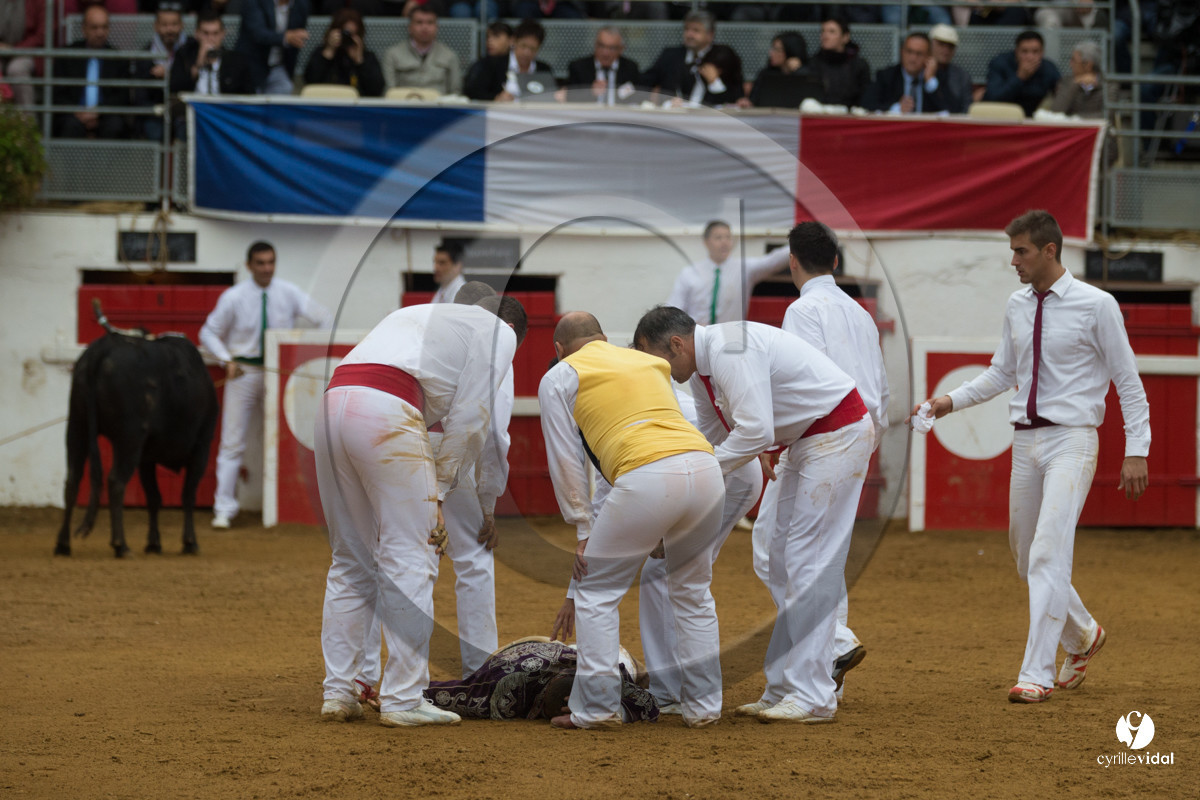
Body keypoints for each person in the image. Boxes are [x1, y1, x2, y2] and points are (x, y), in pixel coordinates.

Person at [910, 210, 1149, 704]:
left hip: (1073, 440)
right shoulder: (1017, 305)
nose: (1012, 261)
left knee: (1046, 554)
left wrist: (1137, 449)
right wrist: (948, 401)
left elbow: (1128, 380)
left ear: (1049, 251)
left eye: (1020, 251)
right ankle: (1082, 635)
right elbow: (1002, 372)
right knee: (1026, 556)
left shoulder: (1097, 305)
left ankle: (1035, 674)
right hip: (1026, 441)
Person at [633, 307, 874, 724]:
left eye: (658, 359)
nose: (660, 370)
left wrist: (699, 474)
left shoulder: (728, 348)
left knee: (805, 560)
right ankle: (784, 686)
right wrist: (680, 504)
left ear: (677, 344)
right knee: (777, 556)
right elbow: (713, 442)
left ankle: (814, 694)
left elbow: (755, 433)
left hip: (836, 434)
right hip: (806, 442)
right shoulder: (704, 371)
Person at [316, 296, 527, 727]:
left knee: (350, 559)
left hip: (332, 403)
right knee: (414, 553)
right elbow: (472, 420)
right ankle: (403, 697)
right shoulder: (500, 332)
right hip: (386, 411)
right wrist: (442, 493)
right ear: (511, 328)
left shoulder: (418, 312)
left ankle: (339, 691)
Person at [539, 312, 726, 729]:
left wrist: (582, 527)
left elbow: (566, 460)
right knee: (694, 593)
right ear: (605, 338)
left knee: (597, 593)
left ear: (558, 350)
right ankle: (703, 707)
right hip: (706, 468)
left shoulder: (560, 376)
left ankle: (597, 709)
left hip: (646, 474)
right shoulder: (651, 363)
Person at [751, 221, 890, 696]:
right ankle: (827, 658)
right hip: (859, 430)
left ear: (792, 261)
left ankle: (830, 645)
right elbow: (882, 389)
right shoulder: (861, 313)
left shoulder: (803, 310)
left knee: (778, 547)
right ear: (835, 261)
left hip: (823, 433)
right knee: (816, 549)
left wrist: (774, 442)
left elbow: (802, 384)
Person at [199, 241, 332, 530]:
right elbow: (208, 332)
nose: (266, 268)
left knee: (288, 437)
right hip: (243, 372)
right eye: (260, 263)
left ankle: (292, 507)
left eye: (270, 262)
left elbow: (324, 318)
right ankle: (223, 508)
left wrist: (302, 352)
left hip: (278, 374)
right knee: (232, 440)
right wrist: (225, 360)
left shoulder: (287, 292)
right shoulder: (234, 297)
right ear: (249, 266)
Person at [424, 637, 659, 722]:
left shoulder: (504, 692)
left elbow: (451, 693)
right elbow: (648, 705)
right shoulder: (508, 680)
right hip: (575, 653)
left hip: (594, 658)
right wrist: (612, 709)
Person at [665, 220, 790, 326]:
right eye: (718, 238)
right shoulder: (689, 273)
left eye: (728, 237)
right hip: (697, 337)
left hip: (730, 338)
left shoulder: (744, 269)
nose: (724, 242)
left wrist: (797, 241)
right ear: (706, 242)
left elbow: (773, 260)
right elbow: (674, 308)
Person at [53, 5, 130, 139]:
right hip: (74, 114)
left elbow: (122, 97)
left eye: (104, 27)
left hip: (105, 115)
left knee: (115, 125)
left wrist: (99, 111)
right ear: (84, 29)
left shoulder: (118, 58)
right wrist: (77, 111)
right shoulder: (67, 55)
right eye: (94, 27)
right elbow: (58, 93)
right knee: (70, 126)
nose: (100, 33)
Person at [170, 11, 255, 103]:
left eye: (215, 33)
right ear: (197, 34)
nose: (211, 39)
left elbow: (248, 97)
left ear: (223, 34)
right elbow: (174, 91)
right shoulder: (184, 55)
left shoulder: (237, 61)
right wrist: (198, 65)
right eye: (206, 33)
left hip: (222, 113)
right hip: (192, 112)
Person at [132, 3, 188, 141]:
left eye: (174, 24)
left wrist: (169, 75)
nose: (170, 29)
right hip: (155, 114)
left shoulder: (190, 50)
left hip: (184, 114)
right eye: (164, 25)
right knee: (155, 131)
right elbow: (140, 96)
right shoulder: (145, 56)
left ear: (182, 25)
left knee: (186, 131)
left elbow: (191, 82)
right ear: (156, 26)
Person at [463, 19, 552, 103]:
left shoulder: (544, 70)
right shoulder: (493, 65)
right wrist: (495, 98)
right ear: (513, 41)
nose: (526, 52)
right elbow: (472, 92)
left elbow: (550, 98)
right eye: (523, 46)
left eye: (533, 49)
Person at [381, 6, 461, 96]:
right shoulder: (393, 54)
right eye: (419, 22)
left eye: (430, 23)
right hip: (404, 107)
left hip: (438, 108)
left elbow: (455, 92)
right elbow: (390, 91)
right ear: (410, 27)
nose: (425, 27)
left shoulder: (450, 56)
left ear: (437, 27)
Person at [637, 10, 715, 103]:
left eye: (696, 30)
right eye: (686, 29)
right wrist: (649, 96)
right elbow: (645, 82)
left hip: (707, 115)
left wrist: (714, 81)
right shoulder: (670, 55)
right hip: (671, 114)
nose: (689, 34)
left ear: (710, 35)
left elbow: (731, 94)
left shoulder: (721, 57)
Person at [302, 9, 384, 97]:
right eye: (344, 34)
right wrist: (329, 51)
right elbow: (310, 83)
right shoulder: (321, 53)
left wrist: (360, 62)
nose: (347, 38)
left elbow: (376, 91)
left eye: (351, 34)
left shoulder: (368, 57)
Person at [235, 0, 310, 94]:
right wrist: (285, 37)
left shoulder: (301, 4)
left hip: (278, 67)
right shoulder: (255, 2)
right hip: (252, 66)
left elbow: (297, 38)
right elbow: (258, 34)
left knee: (286, 89)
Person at [982, 31, 1062, 117]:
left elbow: (1061, 94)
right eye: (1024, 51)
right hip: (1001, 117)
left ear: (1042, 52)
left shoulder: (1048, 68)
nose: (1030, 57)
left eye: (1035, 52)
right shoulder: (1000, 63)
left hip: (1033, 119)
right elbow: (992, 98)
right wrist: (1019, 77)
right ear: (1016, 51)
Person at [863, 32, 945, 114]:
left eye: (919, 54)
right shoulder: (886, 76)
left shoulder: (936, 77)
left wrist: (930, 81)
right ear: (901, 52)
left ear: (928, 56)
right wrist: (897, 108)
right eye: (909, 52)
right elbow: (866, 106)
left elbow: (950, 110)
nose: (913, 59)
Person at [563, 27, 639, 106]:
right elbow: (569, 99)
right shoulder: (579, 67)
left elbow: (638, 98)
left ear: (621, 49)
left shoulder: (630, 68)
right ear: (595, 45)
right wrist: (590, 93)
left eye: (611, 48)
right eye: (601, 46)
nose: (605, 53)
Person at [809, 16, 871, 109]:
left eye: (832, 32)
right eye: (823, 31)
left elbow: (865, 97)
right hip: (820, 115)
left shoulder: (859, 65)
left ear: (845, 37)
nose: (825, 36)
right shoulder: (813, 62)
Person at [743, 32, 809, 108]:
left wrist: (798, 71)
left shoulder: (806, 74)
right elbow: (754, 101)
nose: (771, 53)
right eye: (772, 48)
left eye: (777, 49)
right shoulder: (766, 74)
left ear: (790, 50)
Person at [0, 0, 44, 108]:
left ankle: (28, 121)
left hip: (30, 52)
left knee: (17, 69)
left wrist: (13, 49)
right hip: (1, 51)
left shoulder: (39, 2)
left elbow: (42, 36)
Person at [1050, 40, 1105, 118]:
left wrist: (1075, 119)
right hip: (1070, 129)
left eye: (1073, 60)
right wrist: (1074, 84)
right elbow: (1055, 112)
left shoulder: (1108, 85)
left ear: (1088, 65)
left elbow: (1107, 115)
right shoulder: (1065, 82)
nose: (1070, 64)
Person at [928, 23, 972, 114]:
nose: (946, 50)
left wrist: (931, 81)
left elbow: (964, 110)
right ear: (930, 44)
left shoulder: (962, 76)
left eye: (950, 46)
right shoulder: (917, 69)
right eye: (941, 44)